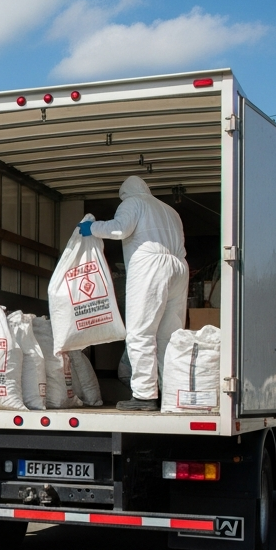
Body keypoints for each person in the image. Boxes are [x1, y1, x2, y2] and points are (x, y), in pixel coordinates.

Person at [79, 175, 188, 411]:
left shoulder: (132, 202)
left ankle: (144, 396)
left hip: (150, 264)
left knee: (140, 332)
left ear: (125, 194)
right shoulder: (170, 210)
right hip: (179, 266)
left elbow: (119, 229)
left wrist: (93, 228)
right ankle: (171, 392)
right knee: (169, 336)